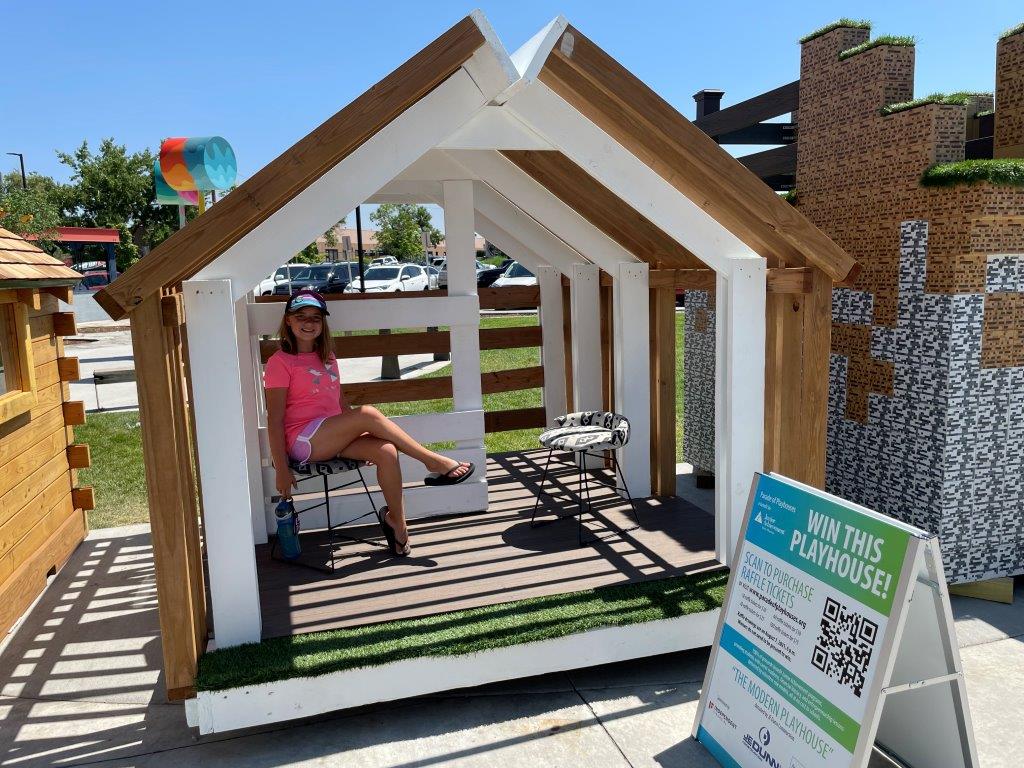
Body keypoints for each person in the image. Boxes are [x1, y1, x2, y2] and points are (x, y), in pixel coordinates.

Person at [263, 290, 474, 556]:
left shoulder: (327, 357)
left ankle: (398, 525)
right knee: (368, 413)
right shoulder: (279, 363)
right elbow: (275, 419)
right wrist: (281, 468)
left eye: (316, 317)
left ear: (323, 322)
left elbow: (340, 406)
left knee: (385, 451)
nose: (309, 322)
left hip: (332, 435)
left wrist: (362, 433)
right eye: (301, 316)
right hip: (303, 441)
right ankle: (432, 461)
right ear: (289, 321)